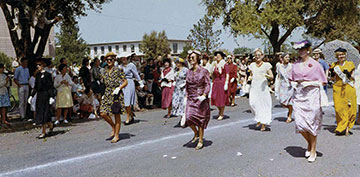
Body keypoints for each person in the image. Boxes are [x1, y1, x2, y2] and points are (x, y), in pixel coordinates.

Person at [290, 40, 327, 162]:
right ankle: (310, 143)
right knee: (300, 123)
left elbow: (322, 81)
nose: (301, 52)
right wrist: (294, 84)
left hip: (312, 94)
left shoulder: (315, 64)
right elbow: (292, 78)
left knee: (311, 122)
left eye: (303, 49)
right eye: (299, 50)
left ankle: (313, 150)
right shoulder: (295, 64)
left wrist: (310, 83)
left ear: (308, 50)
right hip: (300, 94)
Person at [185, 50, 211, 150]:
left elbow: (207, 84)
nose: (191, 59)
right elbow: (187, 85)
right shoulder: (188, 71)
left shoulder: (204, 71)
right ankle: (195, 133)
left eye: (193, 57)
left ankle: (200, 140)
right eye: (190, 58)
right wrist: (185, 96)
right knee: (188, 117)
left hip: (200, 98)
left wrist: (204, 95)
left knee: (200, 120)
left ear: (197, 59)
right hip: (191, 98)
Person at [100, 52, 128, 143]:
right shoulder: (104, 71)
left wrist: (119, 88)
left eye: (110, 60)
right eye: (107, 60)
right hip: (107, 92)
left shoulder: (118, 70)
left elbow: (125, 82)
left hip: (116, 93)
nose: (109, 61)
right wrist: (103, 94)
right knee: (103, 113)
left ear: (114, 60)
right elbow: (103, 83)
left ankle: (116, 135)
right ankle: (113, 126)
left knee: (116, 114)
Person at [329, 48, 357, 136]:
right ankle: (341, 126)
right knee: (338, 108)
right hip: (337, 88)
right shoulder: (334, 65)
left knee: (350, 108)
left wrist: (348, 74)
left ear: (345, 55)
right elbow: (332, 79)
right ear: (337, 56)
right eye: (339, 55)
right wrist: (332, 74)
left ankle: (346, 127)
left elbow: (353, 79)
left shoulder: (350, 64)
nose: (341, 56)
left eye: (343, 54)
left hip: (348, 87)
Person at [248, 48, 274, 131]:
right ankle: (258, 117)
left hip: (263, 88)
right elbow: (251, 75)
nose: (257, 57)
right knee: (253, 103)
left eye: (259, 55)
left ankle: (263, 123)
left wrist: (266, 76)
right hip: (254, 86)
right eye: (256, 55)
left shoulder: (266, 65)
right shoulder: (252, 65)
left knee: (263, 105)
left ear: (262, 56)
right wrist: (250, 77)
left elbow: (271, 76)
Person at [31, 58, 56, 139]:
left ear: (43, 65)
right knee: (41, 112)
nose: (38, 66)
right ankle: (50, 125)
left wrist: (51, 96)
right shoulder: (37, 75)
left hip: (46, 95)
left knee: (45, 113)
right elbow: (36, 87)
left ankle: (43, 132)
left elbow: (50, 86)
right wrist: (31, 95)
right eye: (37, 65)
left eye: (40, 65)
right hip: (39, 95)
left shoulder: (48, 75)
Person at [120, 53, 142, 124]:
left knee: (127, 100)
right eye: (122, 58)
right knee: (123, 101)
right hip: (122, 83)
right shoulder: (120, 66)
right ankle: (131, 115)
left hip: (129, 83)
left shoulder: (131, 65)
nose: (123, 60)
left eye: (124, 58)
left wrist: (140, 82)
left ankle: (128, 117)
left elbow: (136, 74)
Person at [211, 51, 229, 120]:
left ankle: (221, 113)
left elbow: (227, 74)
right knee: (214, 97)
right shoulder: (215, 64)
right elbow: (213, 74)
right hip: (216, 82)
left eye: (219, 55)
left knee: (221, 98)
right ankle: (219, 110)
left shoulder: (224, 64)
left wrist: (226, 83)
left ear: (222, 57)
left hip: (222, 82)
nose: (217, 56)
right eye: (217, 55)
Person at [276, 53, 294, 123]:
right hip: (282, 85)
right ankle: (290, 109)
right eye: (286, 57)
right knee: (282, 102)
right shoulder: (279, 66)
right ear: (282, 58)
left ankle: (289, 115)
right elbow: (278, 77)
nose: (288, 59)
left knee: (290, 102)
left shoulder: (291, 66)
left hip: (290, 86)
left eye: (288, 57)